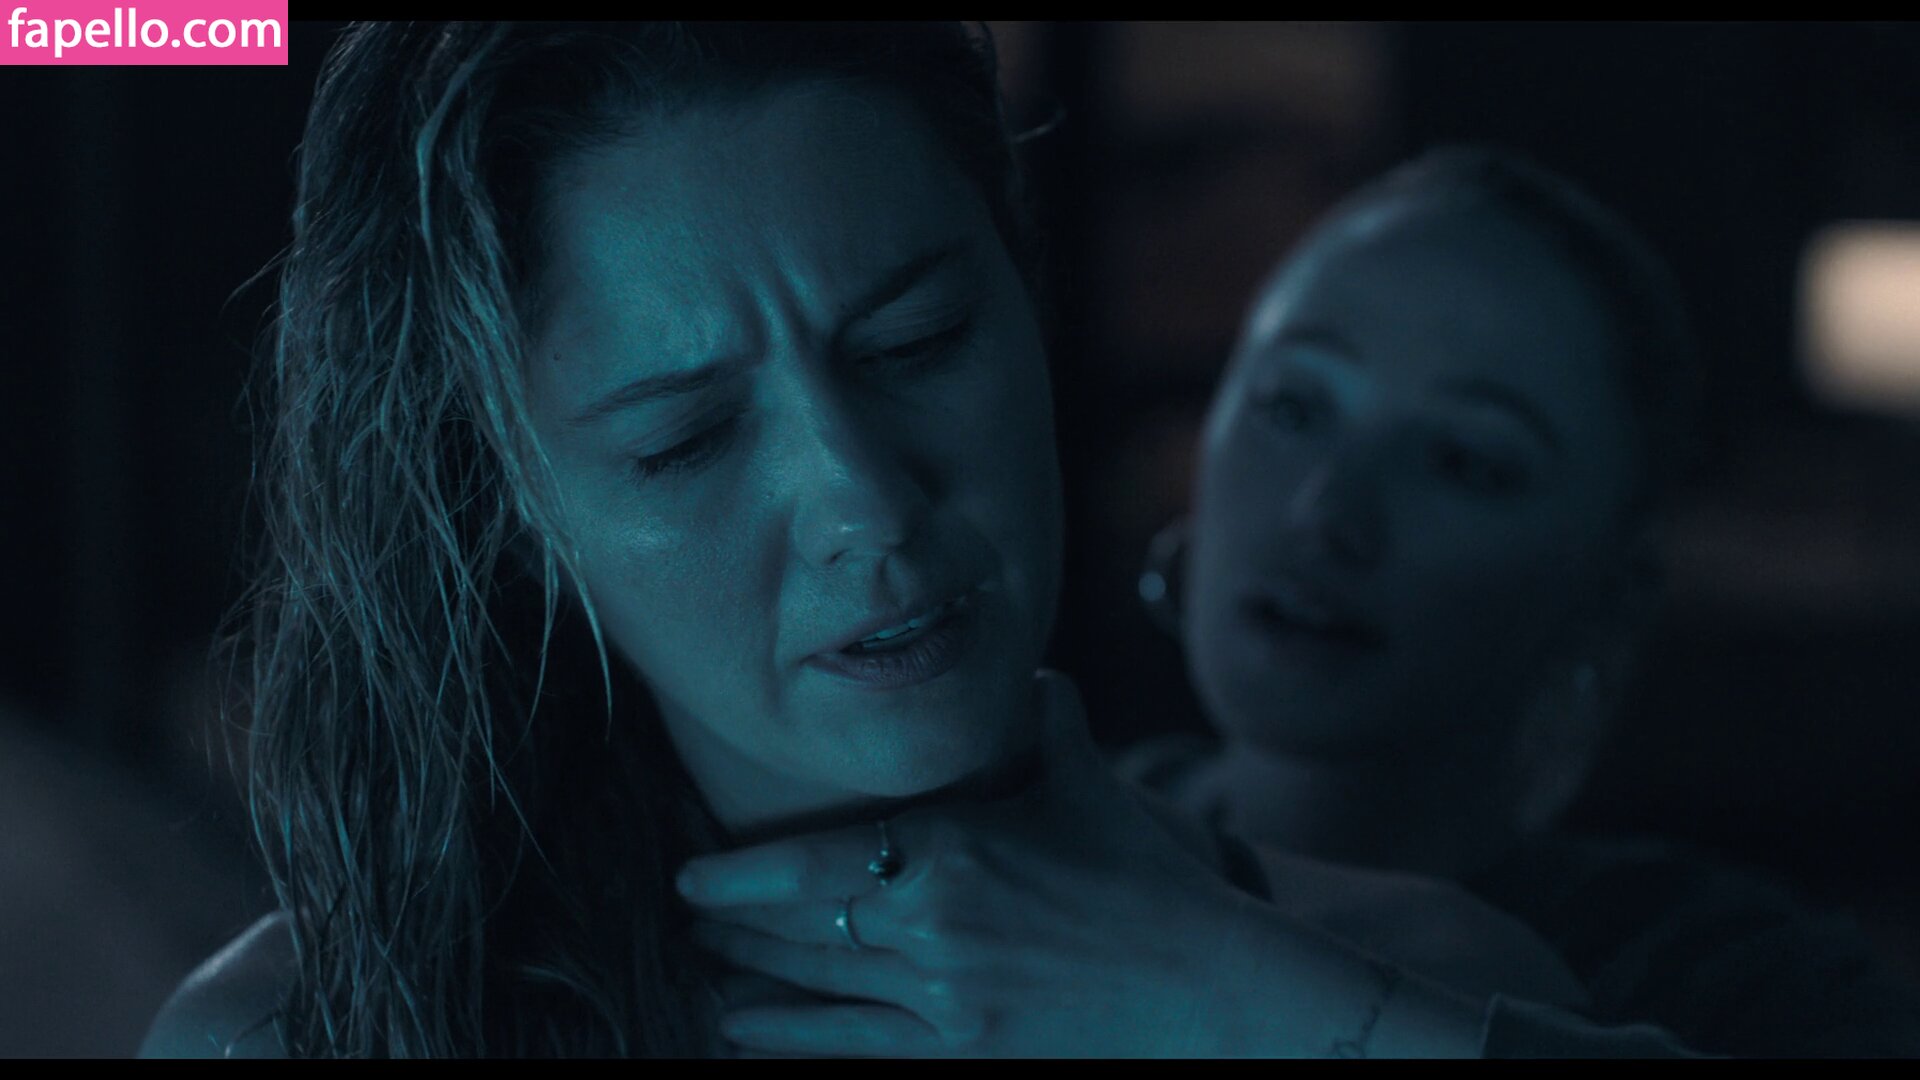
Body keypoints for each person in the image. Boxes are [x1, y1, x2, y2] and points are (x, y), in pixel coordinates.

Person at [136, 23, 1740, 1059]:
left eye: (917, 346)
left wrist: (1228, 995)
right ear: (516, 510)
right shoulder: (323, 1030)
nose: (869, 502)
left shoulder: (1392, 985)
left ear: (1028, 310)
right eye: (685, 441)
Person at [1115, 145, 1920, 1057]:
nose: (1328, 512)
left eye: (1463, 460)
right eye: (1294, 407)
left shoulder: (1740, 990)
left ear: (1608, 594)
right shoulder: (1019, 845)